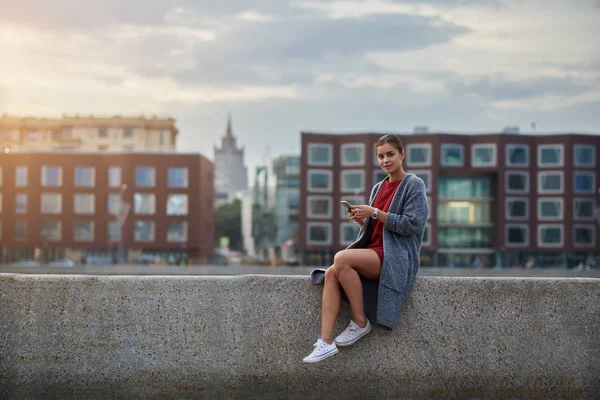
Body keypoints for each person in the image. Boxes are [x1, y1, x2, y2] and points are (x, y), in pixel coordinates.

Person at [303, 134, 429, 363]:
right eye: (381, 156)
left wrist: (374, 213)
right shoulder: (378, 187)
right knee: (331, 272)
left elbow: (414, 224)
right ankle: (325, 341)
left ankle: (360, 321)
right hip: (375, 250)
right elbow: (376, 229)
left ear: (402, 155)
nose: (385, 160)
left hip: (396, 256)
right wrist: (362, 220)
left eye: (391, 154)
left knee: (341, 258)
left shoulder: (414, 184)